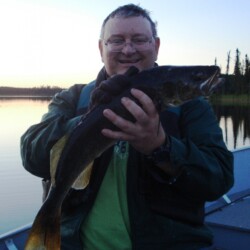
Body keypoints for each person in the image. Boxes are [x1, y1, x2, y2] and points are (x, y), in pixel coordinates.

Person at [20, 4, 234, 250]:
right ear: (102, 49)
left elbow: (219, 179)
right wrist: (92, 115)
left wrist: (160, 146)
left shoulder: (192, 107)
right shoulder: (72, 98)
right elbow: (30, 154)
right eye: (117, 40)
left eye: (139, 39)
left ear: (156, 45)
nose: (128, 49)